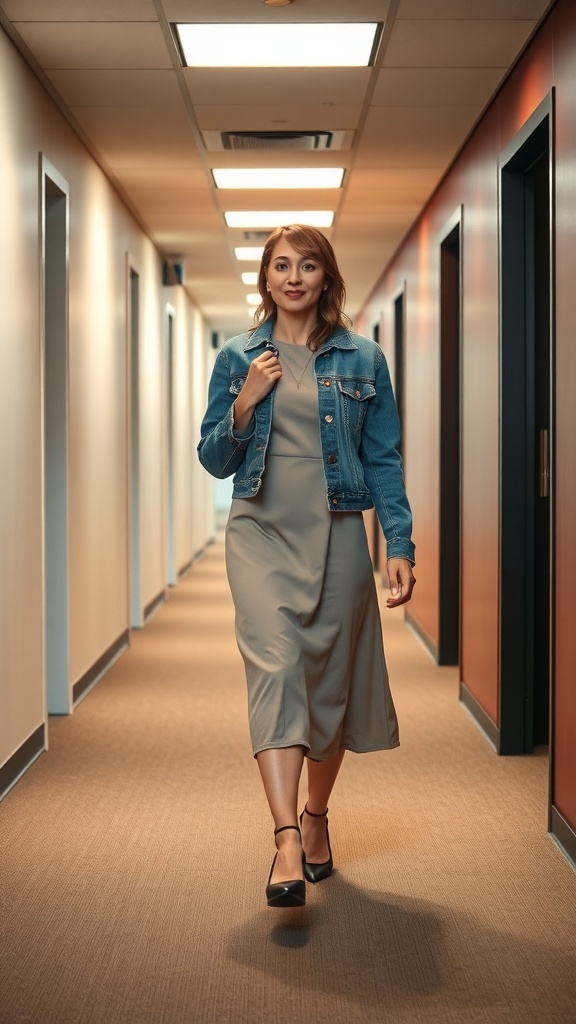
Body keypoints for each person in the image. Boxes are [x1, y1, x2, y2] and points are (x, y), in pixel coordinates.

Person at [197, 225, 415, 909]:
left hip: (338, 535)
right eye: (282, 266)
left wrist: (401, 545)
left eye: (308, 265)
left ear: (326, 277)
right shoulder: (240, 356)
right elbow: (213, 456)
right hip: (258, 532)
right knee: (278, 667)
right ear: (266, 278)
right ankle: (286, 836)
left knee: (330, 687)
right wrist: (244, 403)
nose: (294, 277)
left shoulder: (365, 359)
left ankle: (317, 814)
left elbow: (383, 460)